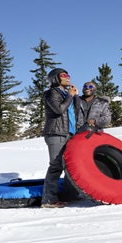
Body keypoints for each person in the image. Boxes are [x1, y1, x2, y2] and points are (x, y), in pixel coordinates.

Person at [41, 68, 83, 208]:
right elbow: (58, 110)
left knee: (69, 165)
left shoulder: (65, 93)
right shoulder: (51, 93)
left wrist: (75, 96)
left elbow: (75, 112)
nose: (68, 77)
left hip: (68, 133)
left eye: (68, 74)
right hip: (56, 133)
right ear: (55, 78)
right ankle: (48, 200)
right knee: (56, 166)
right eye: (64, 75)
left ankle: (68, 195)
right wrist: (70, 96)